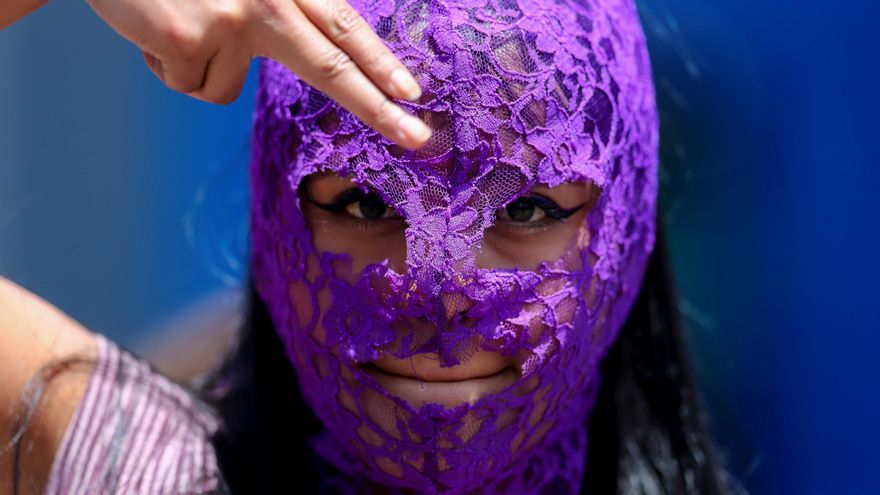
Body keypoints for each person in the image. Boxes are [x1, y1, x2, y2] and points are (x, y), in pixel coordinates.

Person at [0, 0, 738, 493]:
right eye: (366, 201)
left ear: (625, 226)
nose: (441, 287)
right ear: (277, 218)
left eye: (525, 206)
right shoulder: (149, 470)